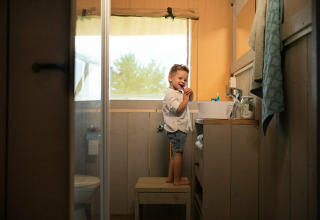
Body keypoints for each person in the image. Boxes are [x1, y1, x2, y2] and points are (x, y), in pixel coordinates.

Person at [162, 64, 193, 185]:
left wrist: (190, 93)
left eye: (185, 79)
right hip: (177, 129)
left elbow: (190, 99)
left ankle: (170, 177)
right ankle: (177, 179)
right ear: (170, 78)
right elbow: (178, 109)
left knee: (174, 155)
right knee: (179, 154)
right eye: (180, 78)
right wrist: (185, 100)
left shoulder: (178, 92)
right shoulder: (170, 95)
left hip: (176, 128)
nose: (183, 81)